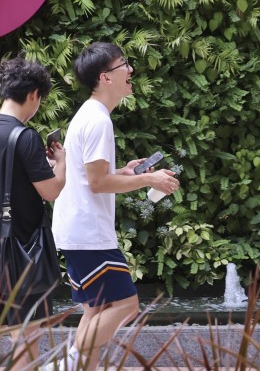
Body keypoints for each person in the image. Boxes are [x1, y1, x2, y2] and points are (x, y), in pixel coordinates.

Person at [48, 42, 180, 371]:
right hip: (88, 233)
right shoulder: (97, 120)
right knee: (126, 305)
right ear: (106, 77)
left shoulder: (92, 115)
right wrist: (149, 181)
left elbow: (95, 176)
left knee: (96, 310)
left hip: (79, 229)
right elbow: (97, 183)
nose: (131, 70)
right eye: (124, 65)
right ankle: (61, 365)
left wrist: (123, 173)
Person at [0, 56, 65, 365]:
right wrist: (60, 165)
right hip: (21, 253)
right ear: (34, 94)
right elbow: (51, 191)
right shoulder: (25, 137)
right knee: (25, 335)